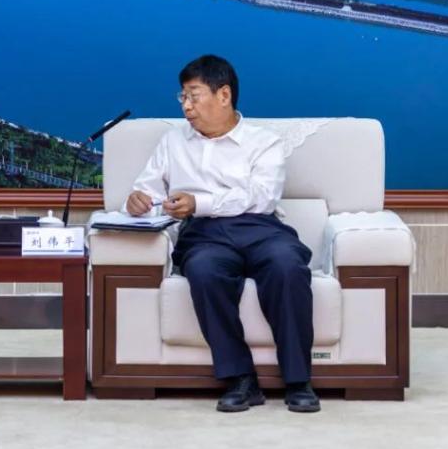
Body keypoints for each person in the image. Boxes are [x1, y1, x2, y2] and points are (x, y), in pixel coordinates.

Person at [125, 55, 320, 413]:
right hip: (204, 234)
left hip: (260, 227)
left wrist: (199, 202)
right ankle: (241, 379)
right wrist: (138, 202)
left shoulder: (264, 143)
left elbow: (261, 197)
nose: (186, 106)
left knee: (287, 266)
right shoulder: (173, 142)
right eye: (182, 97)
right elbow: (149, 193)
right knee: (203, 270)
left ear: (224, 95)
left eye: (193, 95)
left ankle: (298, 380)